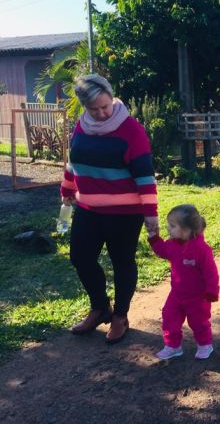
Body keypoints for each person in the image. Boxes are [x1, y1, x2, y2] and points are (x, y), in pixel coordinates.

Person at [62, 74, 158, 344]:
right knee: (80, 258)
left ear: (111, 97)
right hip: (88, 207)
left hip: (125, 213)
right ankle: (100, 307)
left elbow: (144, 176)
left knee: (122, 262)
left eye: (105, 106)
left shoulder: (131, 130)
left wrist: (151, 214)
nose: (102, 113)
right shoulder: (81, 126)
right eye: (95, 109)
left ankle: (120, 316)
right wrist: (67, 188)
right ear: (85, 107)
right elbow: (74, 160)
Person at [148, 204, 219, 360]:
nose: (168, 229)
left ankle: (205, 344)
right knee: (169, 317)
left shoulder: (202, 249)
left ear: (187, 230)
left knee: (198, 322)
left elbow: (210, 272)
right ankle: (173, 346)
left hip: (198, 297)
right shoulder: (172, 245)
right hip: (177, 294)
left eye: (172, 226)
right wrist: (153, 238)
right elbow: (162, 250)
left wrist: (212, 291)